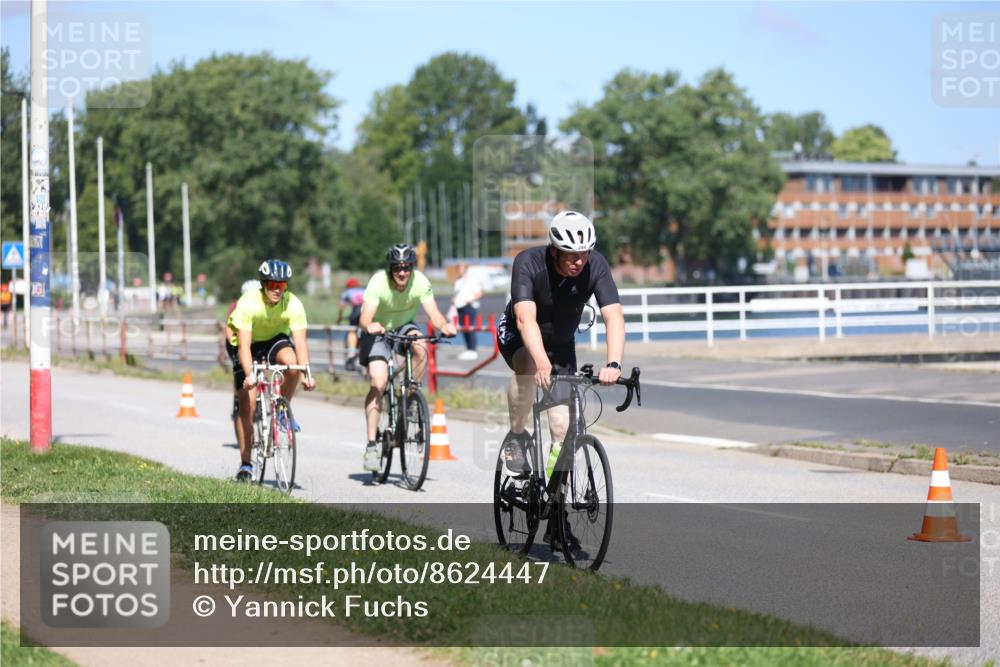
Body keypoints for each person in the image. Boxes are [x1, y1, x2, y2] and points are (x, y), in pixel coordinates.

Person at [495, 211, 625, 548]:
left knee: (562, 431)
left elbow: (613, 316)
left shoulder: (596, 265)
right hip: (520, 336)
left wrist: (613, 363)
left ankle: (556, 516)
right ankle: (517, 435)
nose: (579, 261)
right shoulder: (528, 262)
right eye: (571, 255)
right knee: (527, 366)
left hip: (562, 343)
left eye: (584, 254)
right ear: (554, 250)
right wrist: (541, 362)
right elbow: (525, 319)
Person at [359, 243, 456, 472]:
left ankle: (411, 395)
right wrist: (370, 325)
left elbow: (434, 314)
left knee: (421, 345)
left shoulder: (420, 281)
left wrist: (445, 326)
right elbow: (365, 318)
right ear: (390, 268)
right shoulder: (378, 282)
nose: (402, 273)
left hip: (404, 327)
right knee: (378, 383)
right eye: (397, 268)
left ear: (412, 268)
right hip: (378, 331)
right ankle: (372, 446)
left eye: (406, 268)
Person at [227, 259, 317, 482]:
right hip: (248, 343)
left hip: (275, 339)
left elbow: (301, 344)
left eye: (282, 285)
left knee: (292, 364)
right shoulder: (249, 303)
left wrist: (306, 374)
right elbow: (244, 347)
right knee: (247, 404)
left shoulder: (293, 303)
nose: (278, 290)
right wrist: (250, 375)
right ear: (263, 284)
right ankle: (246, 463)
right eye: (273, 285)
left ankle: (281, 411)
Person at [222, 279, 266, 454]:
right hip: (236, 343)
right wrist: (237, 354)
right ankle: (237, 397)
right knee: (241, 371)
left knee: (264, 364)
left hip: (256, 341)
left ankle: (264, 395)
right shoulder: (236, 306)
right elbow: (229, 333)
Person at [450, 262, 483, 361]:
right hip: (459, 306)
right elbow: (456, 293)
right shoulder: (458, 280)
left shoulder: (471, 280)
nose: (459, 270)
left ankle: (473, 350)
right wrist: (454, 299)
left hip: (469, 306)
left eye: (461, 268)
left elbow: (479, 293)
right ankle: (468, 349)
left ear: (465, 269)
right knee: (463, 328)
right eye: (458, 268)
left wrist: (470, 300)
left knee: (470, 327)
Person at [337, 277, 365, 370]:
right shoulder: (364, 290)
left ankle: (351, 353)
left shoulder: (347, 292)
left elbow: (342, 307)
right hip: (366, 312)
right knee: (363, 333)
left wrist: (339, 319)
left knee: (352, 331)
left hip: (356, 312)